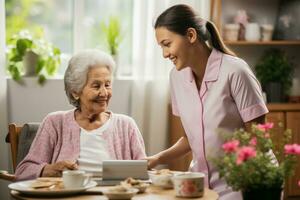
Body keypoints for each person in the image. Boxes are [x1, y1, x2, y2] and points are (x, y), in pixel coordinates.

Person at [146, 4, 268, 199]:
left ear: (191, 35)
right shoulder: (176, 78)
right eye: (161, 47)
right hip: (199, 184)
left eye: (167, 44)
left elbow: (257, 140)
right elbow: (191, 139)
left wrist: (245, 186)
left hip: (242, 184)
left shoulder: (235, 71)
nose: (164, 54)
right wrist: (157, 159)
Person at [15, 49, 146, 181]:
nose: (104, 93)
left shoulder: (126, 125)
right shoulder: (54, 122)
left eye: (107, 85)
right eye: (96, 86)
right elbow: (23, 171)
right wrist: (50, 169)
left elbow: (144, 172)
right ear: (75, 92)